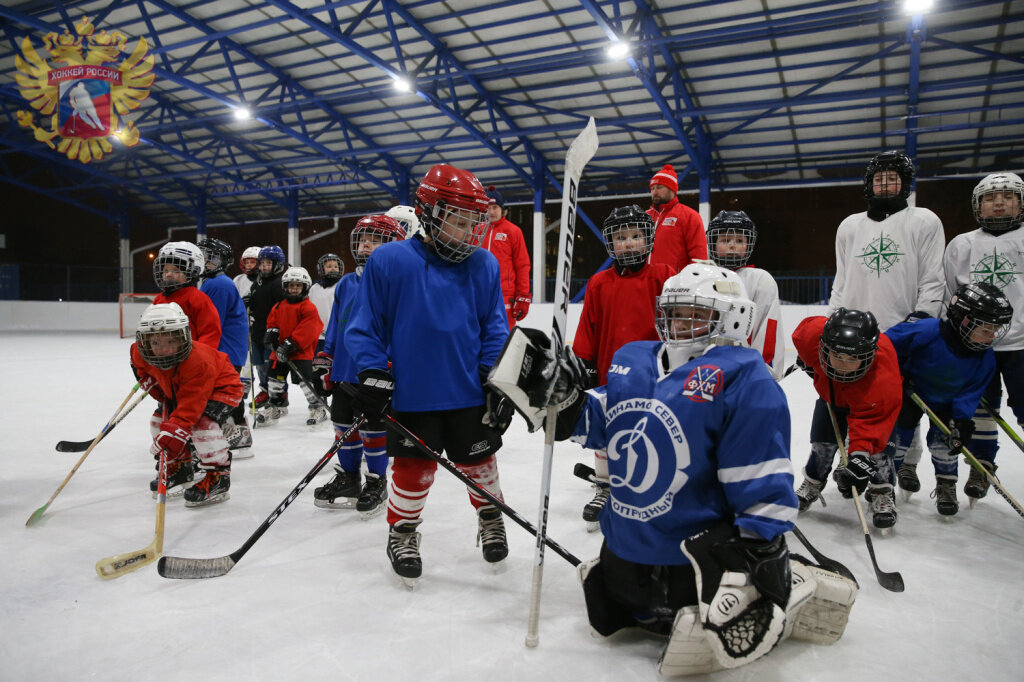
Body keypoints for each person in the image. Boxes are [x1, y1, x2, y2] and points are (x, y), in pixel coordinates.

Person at [490, 263, 855, 676]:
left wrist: (760, 546)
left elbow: (757, 477)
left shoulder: (743, 377)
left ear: (733, 318)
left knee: (740, 555)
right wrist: (564, 402)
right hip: (628, 556)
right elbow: (610, 423)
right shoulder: (635, 359)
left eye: (697, 314)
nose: (681, 322)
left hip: (690, 565)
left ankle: (751, 587)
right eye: (675, 312)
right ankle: (671, 595)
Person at [345, 163, 512, 587]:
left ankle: (491, 518)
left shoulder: (485, 265)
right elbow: (364, 327)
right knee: (411, 471)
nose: (470, 232)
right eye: (459, 221)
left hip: (468, 393)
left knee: (481, 464)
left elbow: (494, 328)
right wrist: (372, 374)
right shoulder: (389, 261)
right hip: (412, 396)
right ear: (429, 213)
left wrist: (496, 377)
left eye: (475, 223)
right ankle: (402, 533)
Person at [827, 150, 945, 496]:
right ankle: (854, 456)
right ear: (869, 184)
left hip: (904, 332)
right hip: (855, 337)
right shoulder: (850, 225)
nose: (886, 184)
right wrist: (832, 321)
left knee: (903, 406)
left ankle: (905, 462)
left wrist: (922, 319)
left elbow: (933, 276)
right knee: (855, 402)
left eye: (893, 178)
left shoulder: (923, 221)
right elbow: (842, 278)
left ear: (905, 184)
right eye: (879, 179)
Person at [571, 205, 676, 528]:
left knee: (651, 432)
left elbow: (677, 323)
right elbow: (588, 325)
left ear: (648, 240)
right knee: (606, 432)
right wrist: (583, 363)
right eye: (621, 238)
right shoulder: (600, 282)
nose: (628, 243)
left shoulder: (665, 275)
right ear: (610, 243)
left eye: (635, 236)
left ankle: (649, 485)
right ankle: (604, 485)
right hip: (609, 374)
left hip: (653, 376)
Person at [884, 282, 1010, 517]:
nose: (991, 336)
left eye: (995, 330)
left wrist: (961, 419)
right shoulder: (927, 330)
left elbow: (972, 390)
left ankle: (946, 484)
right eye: (986, 329)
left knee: (945, 443)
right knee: (898, 439)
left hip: (947, 402)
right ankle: (886, 484)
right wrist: (895, 372)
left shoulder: (985, 357)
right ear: (964, 320)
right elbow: (886, 344)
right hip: (910, 392)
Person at [312, 214, 405, 516]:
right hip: (344, 372)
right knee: (342, 425)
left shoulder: (395, 283)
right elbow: (335, 328)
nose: (366, 244)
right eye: (363, 238)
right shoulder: (346, 284)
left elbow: (399, 330)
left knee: (373, 429)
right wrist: (326, 360)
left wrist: (389, 367)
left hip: (375, 375)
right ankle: (349, 477)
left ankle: (376, 480)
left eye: (375, 239)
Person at [943, 171, 1024, 503]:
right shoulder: (962, 243)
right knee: (980, 409)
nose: (1000, 203)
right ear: (978, 206)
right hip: (976, 345)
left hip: (1021, 345)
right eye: (991, 198)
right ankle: (982, 463)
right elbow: (950, 292)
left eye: (1008, 196)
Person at [792, 309, 903, 531]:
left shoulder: (882, 382)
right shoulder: (811, 339)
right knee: (822, 445)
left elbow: (871, 426)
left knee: (877, 452)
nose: (842, 365)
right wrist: (808, 362)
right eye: (837, 356)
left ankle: (882, 491)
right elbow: (803, 332)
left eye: (852, 358)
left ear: (869, 354)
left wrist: (859, 457)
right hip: (831, 398)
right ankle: (813, 483)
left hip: (866, 403)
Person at [131, 302, 242, 506]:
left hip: (222, 388)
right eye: (156, 343)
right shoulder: (139, 352)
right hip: (180, 390)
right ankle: (180, 468)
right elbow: (139, 366)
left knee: (201, 424)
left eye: (170, 342)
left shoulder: (197, 361)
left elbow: (191, 405)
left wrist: (175, 432)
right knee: (158, 422)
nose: (163, 349)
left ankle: (218, 476)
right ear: (144, 342)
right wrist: (146, 379)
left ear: (183, 337)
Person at [705, 210, 786, 379]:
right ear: (713, 243)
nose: (732, 245)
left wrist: (762, 376)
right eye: (725, 240)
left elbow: (767, 330)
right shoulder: (701, 277)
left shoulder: (760, 280)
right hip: (703, 372)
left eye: (740, 240)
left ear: (749, 245)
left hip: (743, 374)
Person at [197, 237, 253, 457]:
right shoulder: (213, 282)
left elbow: (211, 323)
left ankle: (237, 434)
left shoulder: (218, 284)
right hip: (226, 349)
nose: (205, 263)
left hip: (225, 350)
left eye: (211, 259)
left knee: (224, 393)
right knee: (227, 392)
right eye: (203, 258)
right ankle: (238, 434)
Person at [259, 266, 325, 427]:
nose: (294, 289)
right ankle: (275, 405)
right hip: (279, 352)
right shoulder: (279, 306)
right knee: (275, 380)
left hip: (299, 352)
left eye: (298, 285)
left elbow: (310, 328)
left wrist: (292, 343)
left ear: (305, 287)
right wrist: (271, 333)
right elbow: (272, 321)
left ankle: (317, 407)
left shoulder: (308, 307)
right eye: (291, 285)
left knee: (305, 382)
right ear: (285, 287)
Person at [152, 241, 221, 349]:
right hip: (164, 357)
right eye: (165, 270)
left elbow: (210, 333)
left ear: (191, 273)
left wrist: (199, 356)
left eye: (176, 271)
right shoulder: (158, 300)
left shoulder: (198, 299)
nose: (169, 274)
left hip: (191, 360)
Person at [479, 185, 531, 328]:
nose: (491, 212)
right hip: (480, 293)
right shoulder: (478, 231)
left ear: (503, 210)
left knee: (503, 339)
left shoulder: (513, 231)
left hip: (505, 295)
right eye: (488, 208)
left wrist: (523, 296)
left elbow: (523, 265)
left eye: (495, 207)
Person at [248, 245, 288, 407]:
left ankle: (279, 394)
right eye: (262, 263)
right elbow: (256, 302)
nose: (263, 266)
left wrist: (278, 331)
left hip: (271, 333)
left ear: (277, 264)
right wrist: (248, 302)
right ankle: (265, 390)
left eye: (268, 263)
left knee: (271, 366)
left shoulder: (279, 283)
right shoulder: (258, 282)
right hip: (257, 330)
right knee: (259, 365)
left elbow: (282, 310)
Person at [645, 164, 707, 271]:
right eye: (652, 188)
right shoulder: (645, 217)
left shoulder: (690, 216)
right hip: (647, 283)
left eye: (659, 187)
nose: (655, 192)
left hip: (675, 284)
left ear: (672, 189)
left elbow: (699, 256)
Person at [309, 253, 344, 353]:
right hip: (317, 337)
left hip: (336, 337)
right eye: (329, 266)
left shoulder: (342, 286)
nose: (333, 268)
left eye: (336, 266)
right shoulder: (314, 288)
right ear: (321, 269)